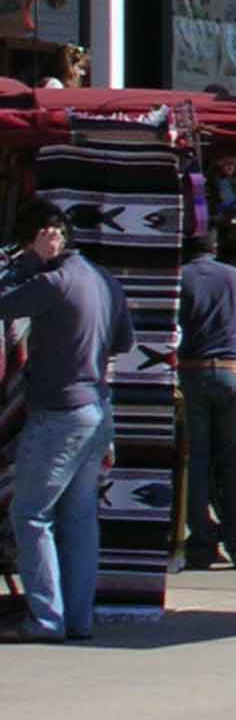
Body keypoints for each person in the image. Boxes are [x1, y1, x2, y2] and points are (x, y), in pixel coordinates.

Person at [2, 204, 131, 640]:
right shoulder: (103, 280)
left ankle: (46, 618)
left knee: (30, 514)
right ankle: (78, 617)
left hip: (59, 412)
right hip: (96, 407)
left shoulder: (53, 281)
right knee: (78, 517)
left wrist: (30, 261)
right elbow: (124, 341)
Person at [177, 233, 236, 570]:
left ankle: (201, 543)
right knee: (234, 462)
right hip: (230, 372)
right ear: (214, 249)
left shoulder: (181, 278)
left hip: (192, 371)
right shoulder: (235, 276)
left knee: (196, 462)